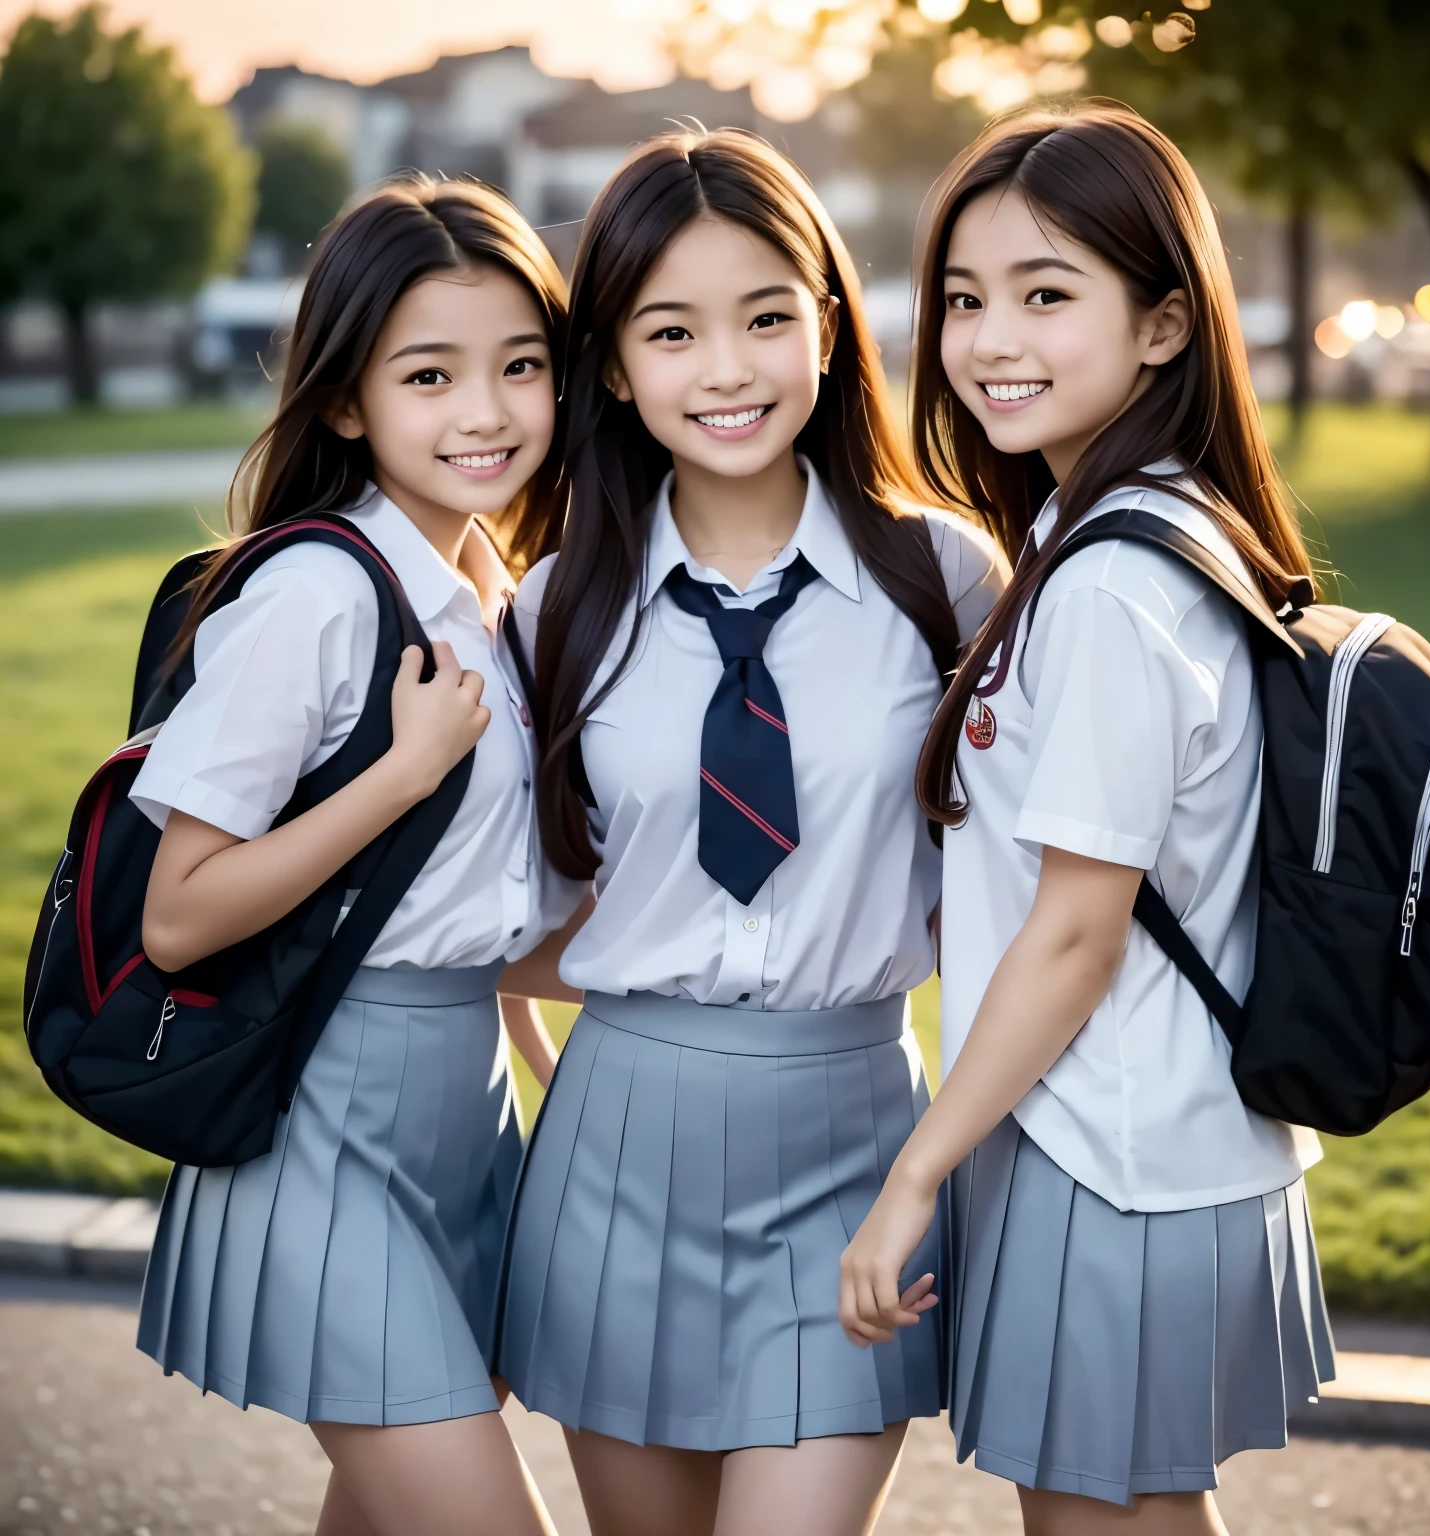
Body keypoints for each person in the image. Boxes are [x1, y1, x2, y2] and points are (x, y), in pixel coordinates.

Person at [494, 128, 1007, 1536]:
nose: (726, 369)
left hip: (854, 1145)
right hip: (618, 1147)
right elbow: (512, 908)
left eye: (767, 317)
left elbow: (1009, 894)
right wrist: (548, 1029)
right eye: (673, 330)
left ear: (830, 332)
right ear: (611, 364)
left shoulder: (945, 581)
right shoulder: (554, 615)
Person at [839, 103, 1335, 1536]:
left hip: (1114, 1150)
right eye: (965, 300)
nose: (993, 340)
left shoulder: (1115, 584)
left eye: (1048, 297)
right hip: (1136, 1131)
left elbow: (1076, 933)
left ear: (1166, 325)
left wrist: (913, 1177)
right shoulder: (1120, 528)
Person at [133, 174, 582, 1536]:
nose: (487, 411)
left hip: (463, 1119)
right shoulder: (314, 594)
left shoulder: (494, 594)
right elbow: (180, 915)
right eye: (430, 374)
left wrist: (555, 1067)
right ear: (346, 400)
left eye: (520, 366)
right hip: (324, 1129)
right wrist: (401, 774)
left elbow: (469, 902)